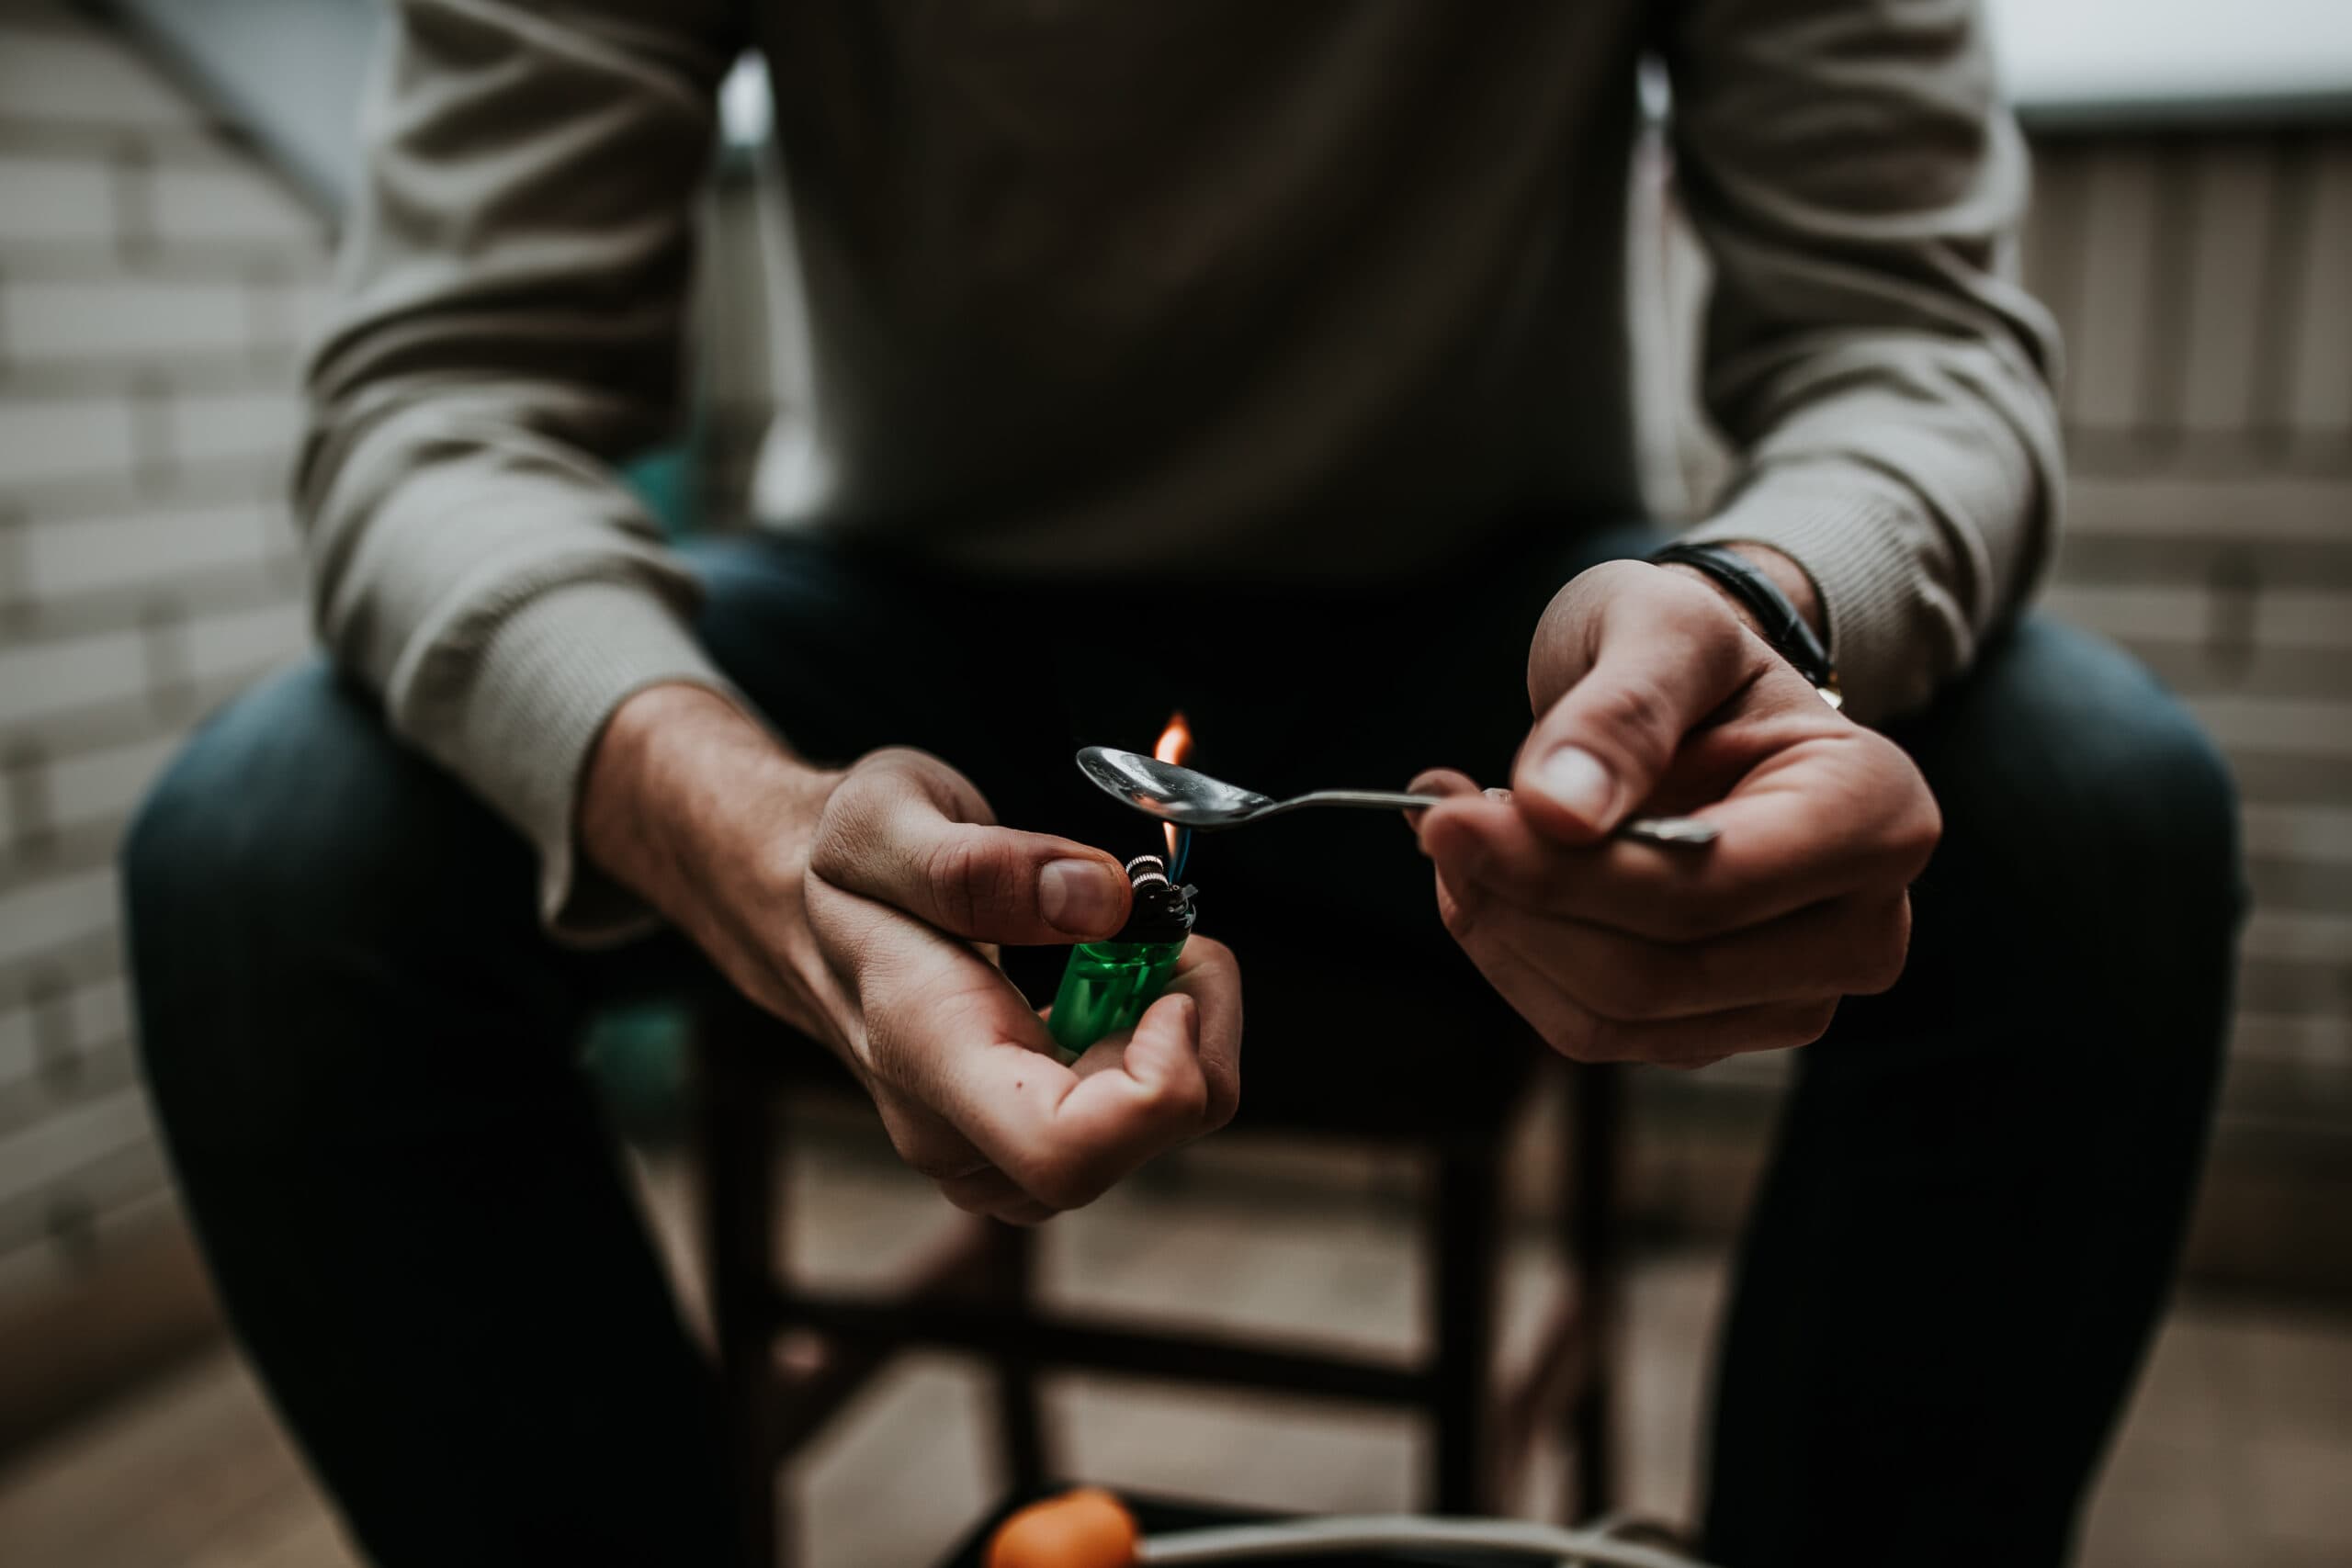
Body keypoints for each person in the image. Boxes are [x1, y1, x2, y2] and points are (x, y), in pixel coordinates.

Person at [121, 2, 2243, 1564]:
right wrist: (744, 832)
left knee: (2087, 807)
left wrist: (1752, 598)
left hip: (1502, 621)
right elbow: (437, 388)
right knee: (271, 853)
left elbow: (1910, 335)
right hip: (900, 618)